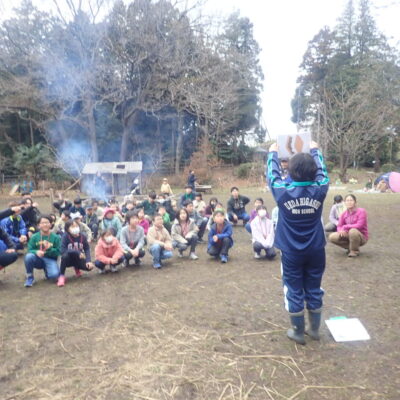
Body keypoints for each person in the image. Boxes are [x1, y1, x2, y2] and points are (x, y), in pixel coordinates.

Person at [267, 141, 329, 345]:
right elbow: (323, 172)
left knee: (293, 289)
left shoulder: (282, 191)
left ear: (291, 171)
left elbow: (272, 176)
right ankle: (314, 329)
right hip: (316, 249)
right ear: (313, 171)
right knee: (314, 287)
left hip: (291, 251)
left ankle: (298, 331)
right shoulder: (320, 188)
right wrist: (315, 151)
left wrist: (272, 154)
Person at [24, 215, 61, 287]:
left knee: (54, 275)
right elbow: (30, 249)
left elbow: (58, 251)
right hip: (38, 259)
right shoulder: (34, 237)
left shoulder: (56, 237)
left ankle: (47, 271)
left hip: (50, 259)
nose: (45, 225)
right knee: (28, 257)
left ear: (51, 224)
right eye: (42, 223)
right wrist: (36, 252)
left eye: (47, 223)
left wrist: (50, 249)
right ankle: (30, 277)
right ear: (38, 225)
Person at [57, 220, 94, 286]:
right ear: (67, 229)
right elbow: (62, 250)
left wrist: (88, 261)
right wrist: (77, 252)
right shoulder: (65, 237)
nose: (75, 228)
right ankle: (61, 276)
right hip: (68, 259)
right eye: (72, 227)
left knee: (89, 267)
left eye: (76, 226)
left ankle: (77, 268)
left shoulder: (82, 236)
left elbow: (87, 248)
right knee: (65, 256)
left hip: (78, 258)